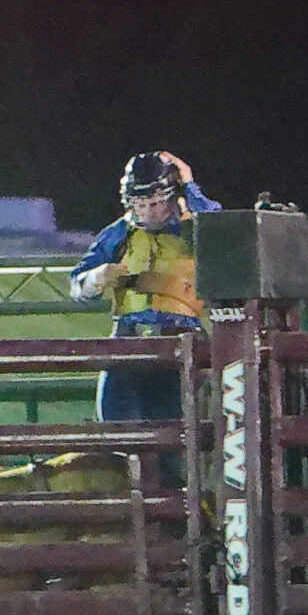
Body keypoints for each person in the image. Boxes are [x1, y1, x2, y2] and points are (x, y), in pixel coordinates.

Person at [69, 151, 221, 420]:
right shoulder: (118, 233)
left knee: (177, 430)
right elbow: (77, 283)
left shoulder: (194, 229)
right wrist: (96, 278)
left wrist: (189, 185)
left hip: (181, 340)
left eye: (156, 203)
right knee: (116, 426)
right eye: (140, 204)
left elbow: (221, 228)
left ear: (171, 197)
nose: (148, 211)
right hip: (128, 338)